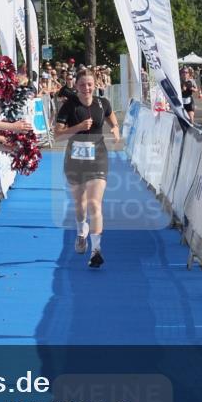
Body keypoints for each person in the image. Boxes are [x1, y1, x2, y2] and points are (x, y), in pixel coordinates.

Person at [54, 70, 121, 269]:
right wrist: (78, 127)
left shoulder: (103, 103)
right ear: (76, 86)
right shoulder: (69, 106)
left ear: (95, 84)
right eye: (82, 84)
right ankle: (81, 231)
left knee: (94, 203)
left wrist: (115, 129)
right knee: (80, 203)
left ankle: (96, 251)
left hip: (98, 159)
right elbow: (57, 135)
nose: (86, 88)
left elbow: (112, 119)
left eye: (90, 84)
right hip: (75, 160)